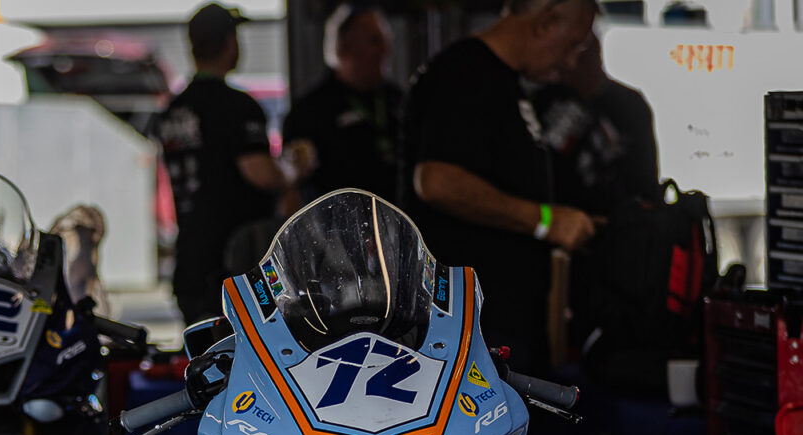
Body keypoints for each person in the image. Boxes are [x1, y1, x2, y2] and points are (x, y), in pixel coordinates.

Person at [400, 0, 599, 373]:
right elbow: (437, 181)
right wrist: (545, 221)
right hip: (468, 331)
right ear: (545, 23)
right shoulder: (464, 72)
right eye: (573, 44)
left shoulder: (507, 81)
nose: (572, 61)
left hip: (504, 323)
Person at [157, 3, 294, 326]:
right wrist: (293, 171)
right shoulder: (237, 107)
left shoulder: (174, 109)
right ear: (230, 43)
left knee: (203, 353)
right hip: (237, 269)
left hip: (190, 263)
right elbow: (261, 174)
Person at [281, 4, 404, 205]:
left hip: (396, 220)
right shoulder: (310, 112)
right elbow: (291, 190)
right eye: (375, 41)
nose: (385, 50)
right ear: (344, 48)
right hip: (337, 222)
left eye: (386, 40)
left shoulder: (397, 100)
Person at [532, 31, 659, 217]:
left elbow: (644, 179)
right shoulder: (548, 101)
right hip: (561, 219)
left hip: (619, 221)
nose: (572, 63)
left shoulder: (629, 104)